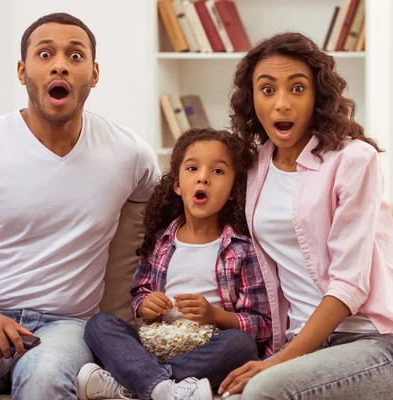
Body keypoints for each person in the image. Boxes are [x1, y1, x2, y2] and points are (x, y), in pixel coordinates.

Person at [0, 12, 159, 400]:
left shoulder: (130, 154)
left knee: (44, 381)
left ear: (94, 74)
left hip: (68, 325)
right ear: (22, 70)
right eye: (44, 54)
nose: (59, 64)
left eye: (74, 56)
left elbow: (167, 222)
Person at [218, 32, 393, 400]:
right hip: (303, 343)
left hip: (374, 344)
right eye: (267, 90)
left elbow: (350, 285)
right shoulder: (254, 165)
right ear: (253, 100)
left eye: (297, 88)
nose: (282, 104)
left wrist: (277, 362)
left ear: (317, 96)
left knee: (262, 391)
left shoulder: (354, 159)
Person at [75, 128, 272, 400]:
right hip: (154, 340)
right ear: (177, 184)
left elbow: (262, 323)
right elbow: (140, 295)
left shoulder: (241, 249)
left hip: (209, 345)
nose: (203, 177)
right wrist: (146, 305)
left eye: (218, 171)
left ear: (233, 191)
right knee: (100, 324)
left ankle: (135, 384)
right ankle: (168, 390)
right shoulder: (162, 241)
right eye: (192, 168)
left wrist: (215, 316)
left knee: (242, 345)